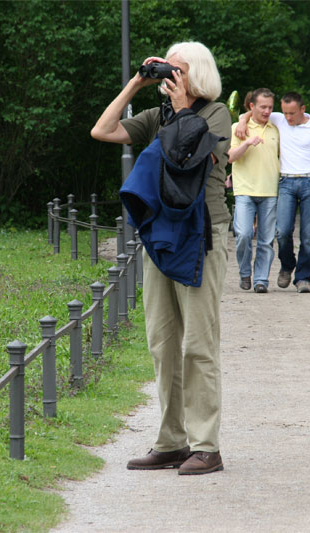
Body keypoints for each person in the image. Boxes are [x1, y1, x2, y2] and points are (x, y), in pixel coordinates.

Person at [91, 41, 230, 475]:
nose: (172, 78)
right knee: (163, 342)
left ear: (199, 75)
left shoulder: (215, 113)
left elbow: (187, 151)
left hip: (202, 235)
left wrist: (184, 104)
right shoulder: (157, 116)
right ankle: (171, 441)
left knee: (198, 345)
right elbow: (103, 130)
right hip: (160, 236)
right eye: (169, 71)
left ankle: (206, 446)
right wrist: (136, 82)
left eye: (180, 70)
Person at [235, 92, 310, 293]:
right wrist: (243, 121)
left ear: (303, 109)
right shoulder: (278, 119)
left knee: (307, 235)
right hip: (286, 182)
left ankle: (303, 278)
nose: (287, 117)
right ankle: (287, 264)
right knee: (282, 232)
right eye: (285, 113)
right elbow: (252, 112)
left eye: (292, 113)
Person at [228, 88, 280, 293]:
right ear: (252, 106)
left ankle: (261, 280)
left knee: (266, 240)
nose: (267, 111)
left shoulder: (276, 127)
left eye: (270, 107)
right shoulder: (238, 128)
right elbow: (230, 157)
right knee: (243, 234)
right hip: (244, 190)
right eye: (263, 107)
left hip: (270, 190)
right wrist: (247, 142)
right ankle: (244, 273)